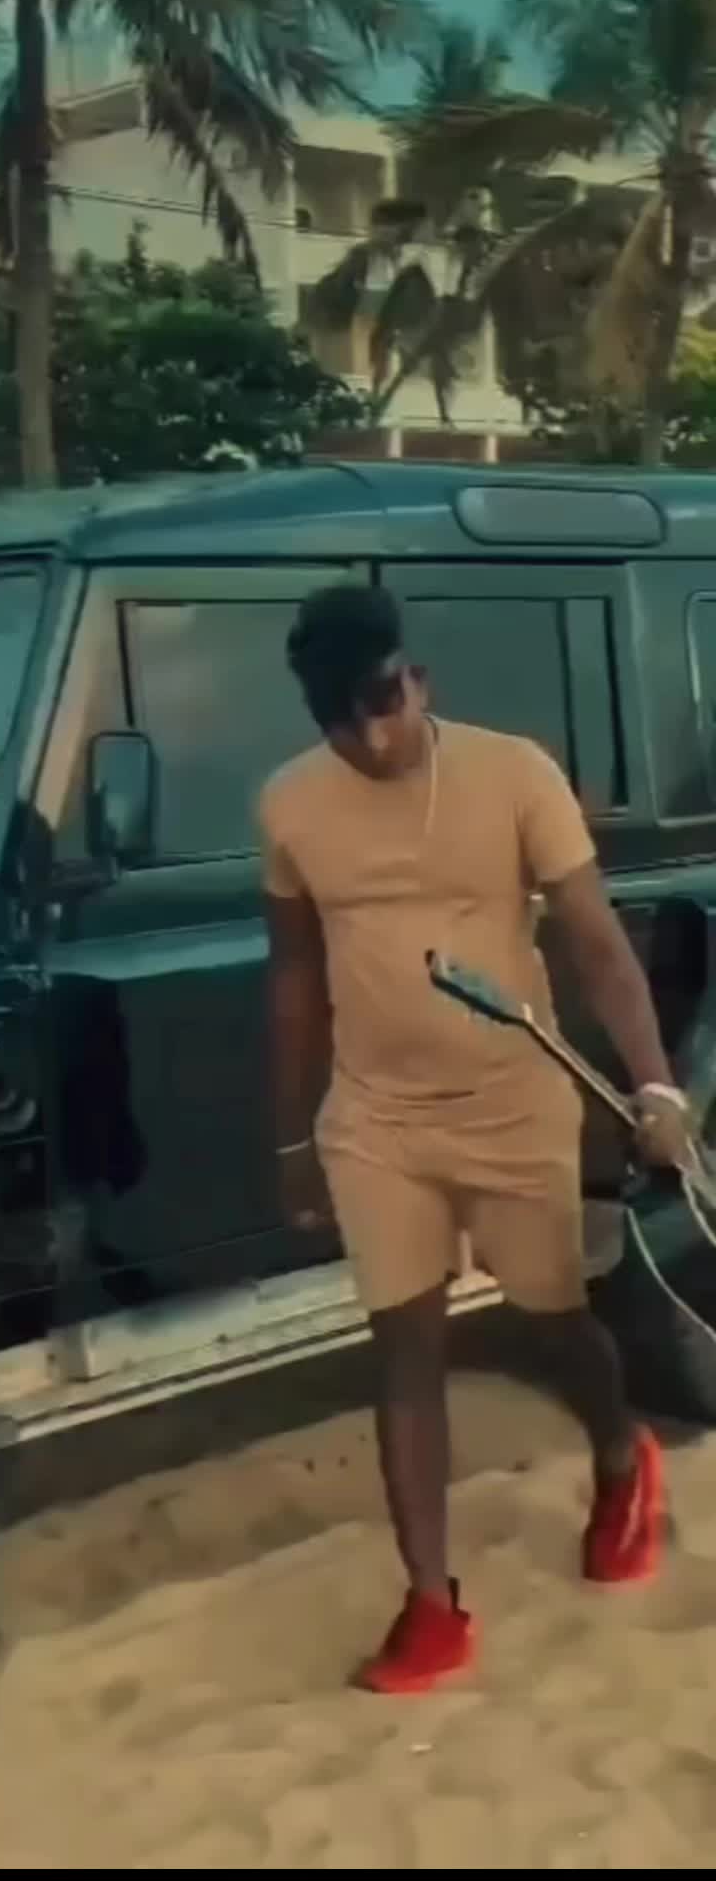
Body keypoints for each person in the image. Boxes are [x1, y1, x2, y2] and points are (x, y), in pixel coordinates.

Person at [259, 581, 692, 1695]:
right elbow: (296, 974)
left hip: (513, 1104)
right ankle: (433, 1608)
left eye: (382, 703)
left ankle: (619, 1452)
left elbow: (594, 941)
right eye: (341, 719)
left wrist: (656, 1085)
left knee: (551, 1321)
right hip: (378, 1119)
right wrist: (293, 1138)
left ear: (417, 680)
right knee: (404, 1345)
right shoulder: (291, 806)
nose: (370, 737)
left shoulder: (513, 775)